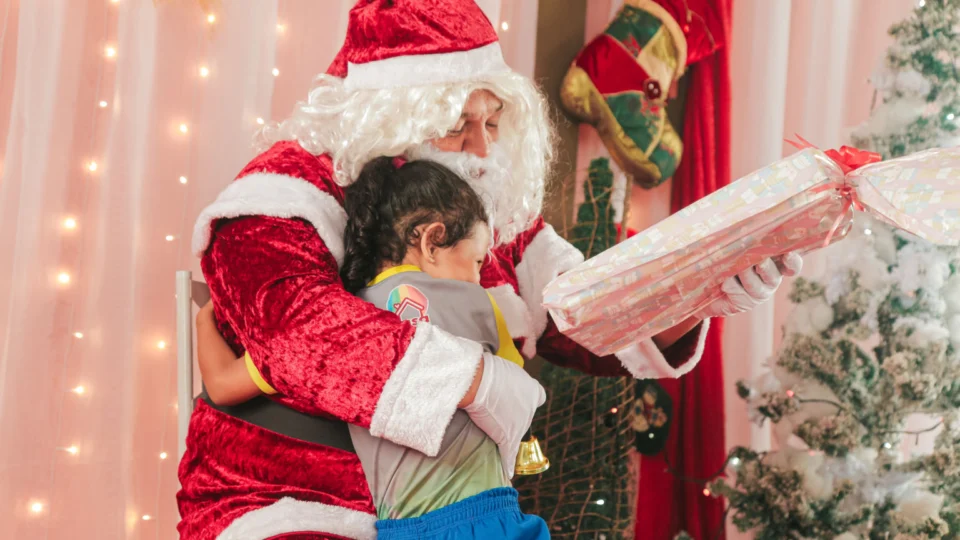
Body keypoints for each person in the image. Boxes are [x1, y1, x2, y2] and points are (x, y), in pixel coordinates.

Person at [178, 1, 802, 538]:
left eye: (493, 124)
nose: (481, 150)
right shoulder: (285, 192)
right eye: (458, 127)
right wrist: (479, 382)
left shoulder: (473, 209)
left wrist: (697, 296)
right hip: (290, 499)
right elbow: (300, 330)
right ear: (391, 119)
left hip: (453, 504)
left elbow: (583, 311)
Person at [197, 157, 550, 539]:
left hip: (401, 527)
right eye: (478, 261)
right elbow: (516, 398)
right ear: (432, 241)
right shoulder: (479, 302)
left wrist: (205, 318)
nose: (478, 277)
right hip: (485, 513)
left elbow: (222, 384)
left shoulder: (339, 319)